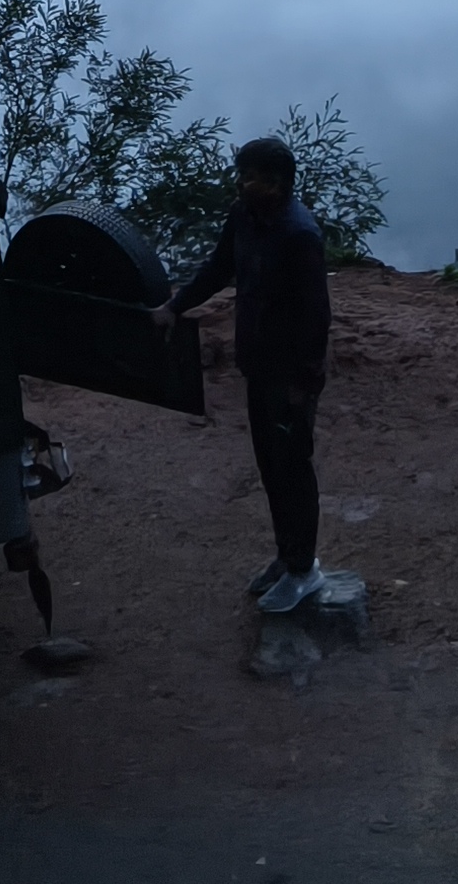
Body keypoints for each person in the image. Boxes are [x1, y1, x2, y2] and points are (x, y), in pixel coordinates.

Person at [161, 135, 333, 614]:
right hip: (258, 366)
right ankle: (288, 555)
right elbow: (219, 268)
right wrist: (176, 307)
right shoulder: (245, 218)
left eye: (251, 176)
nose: (242, 182)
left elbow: (316, 317)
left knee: (292, 467)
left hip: (290, 377)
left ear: (277, 183)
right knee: (270, 465)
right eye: (241, 172)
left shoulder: (300, 236)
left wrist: (303, 384)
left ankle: (304, 569)